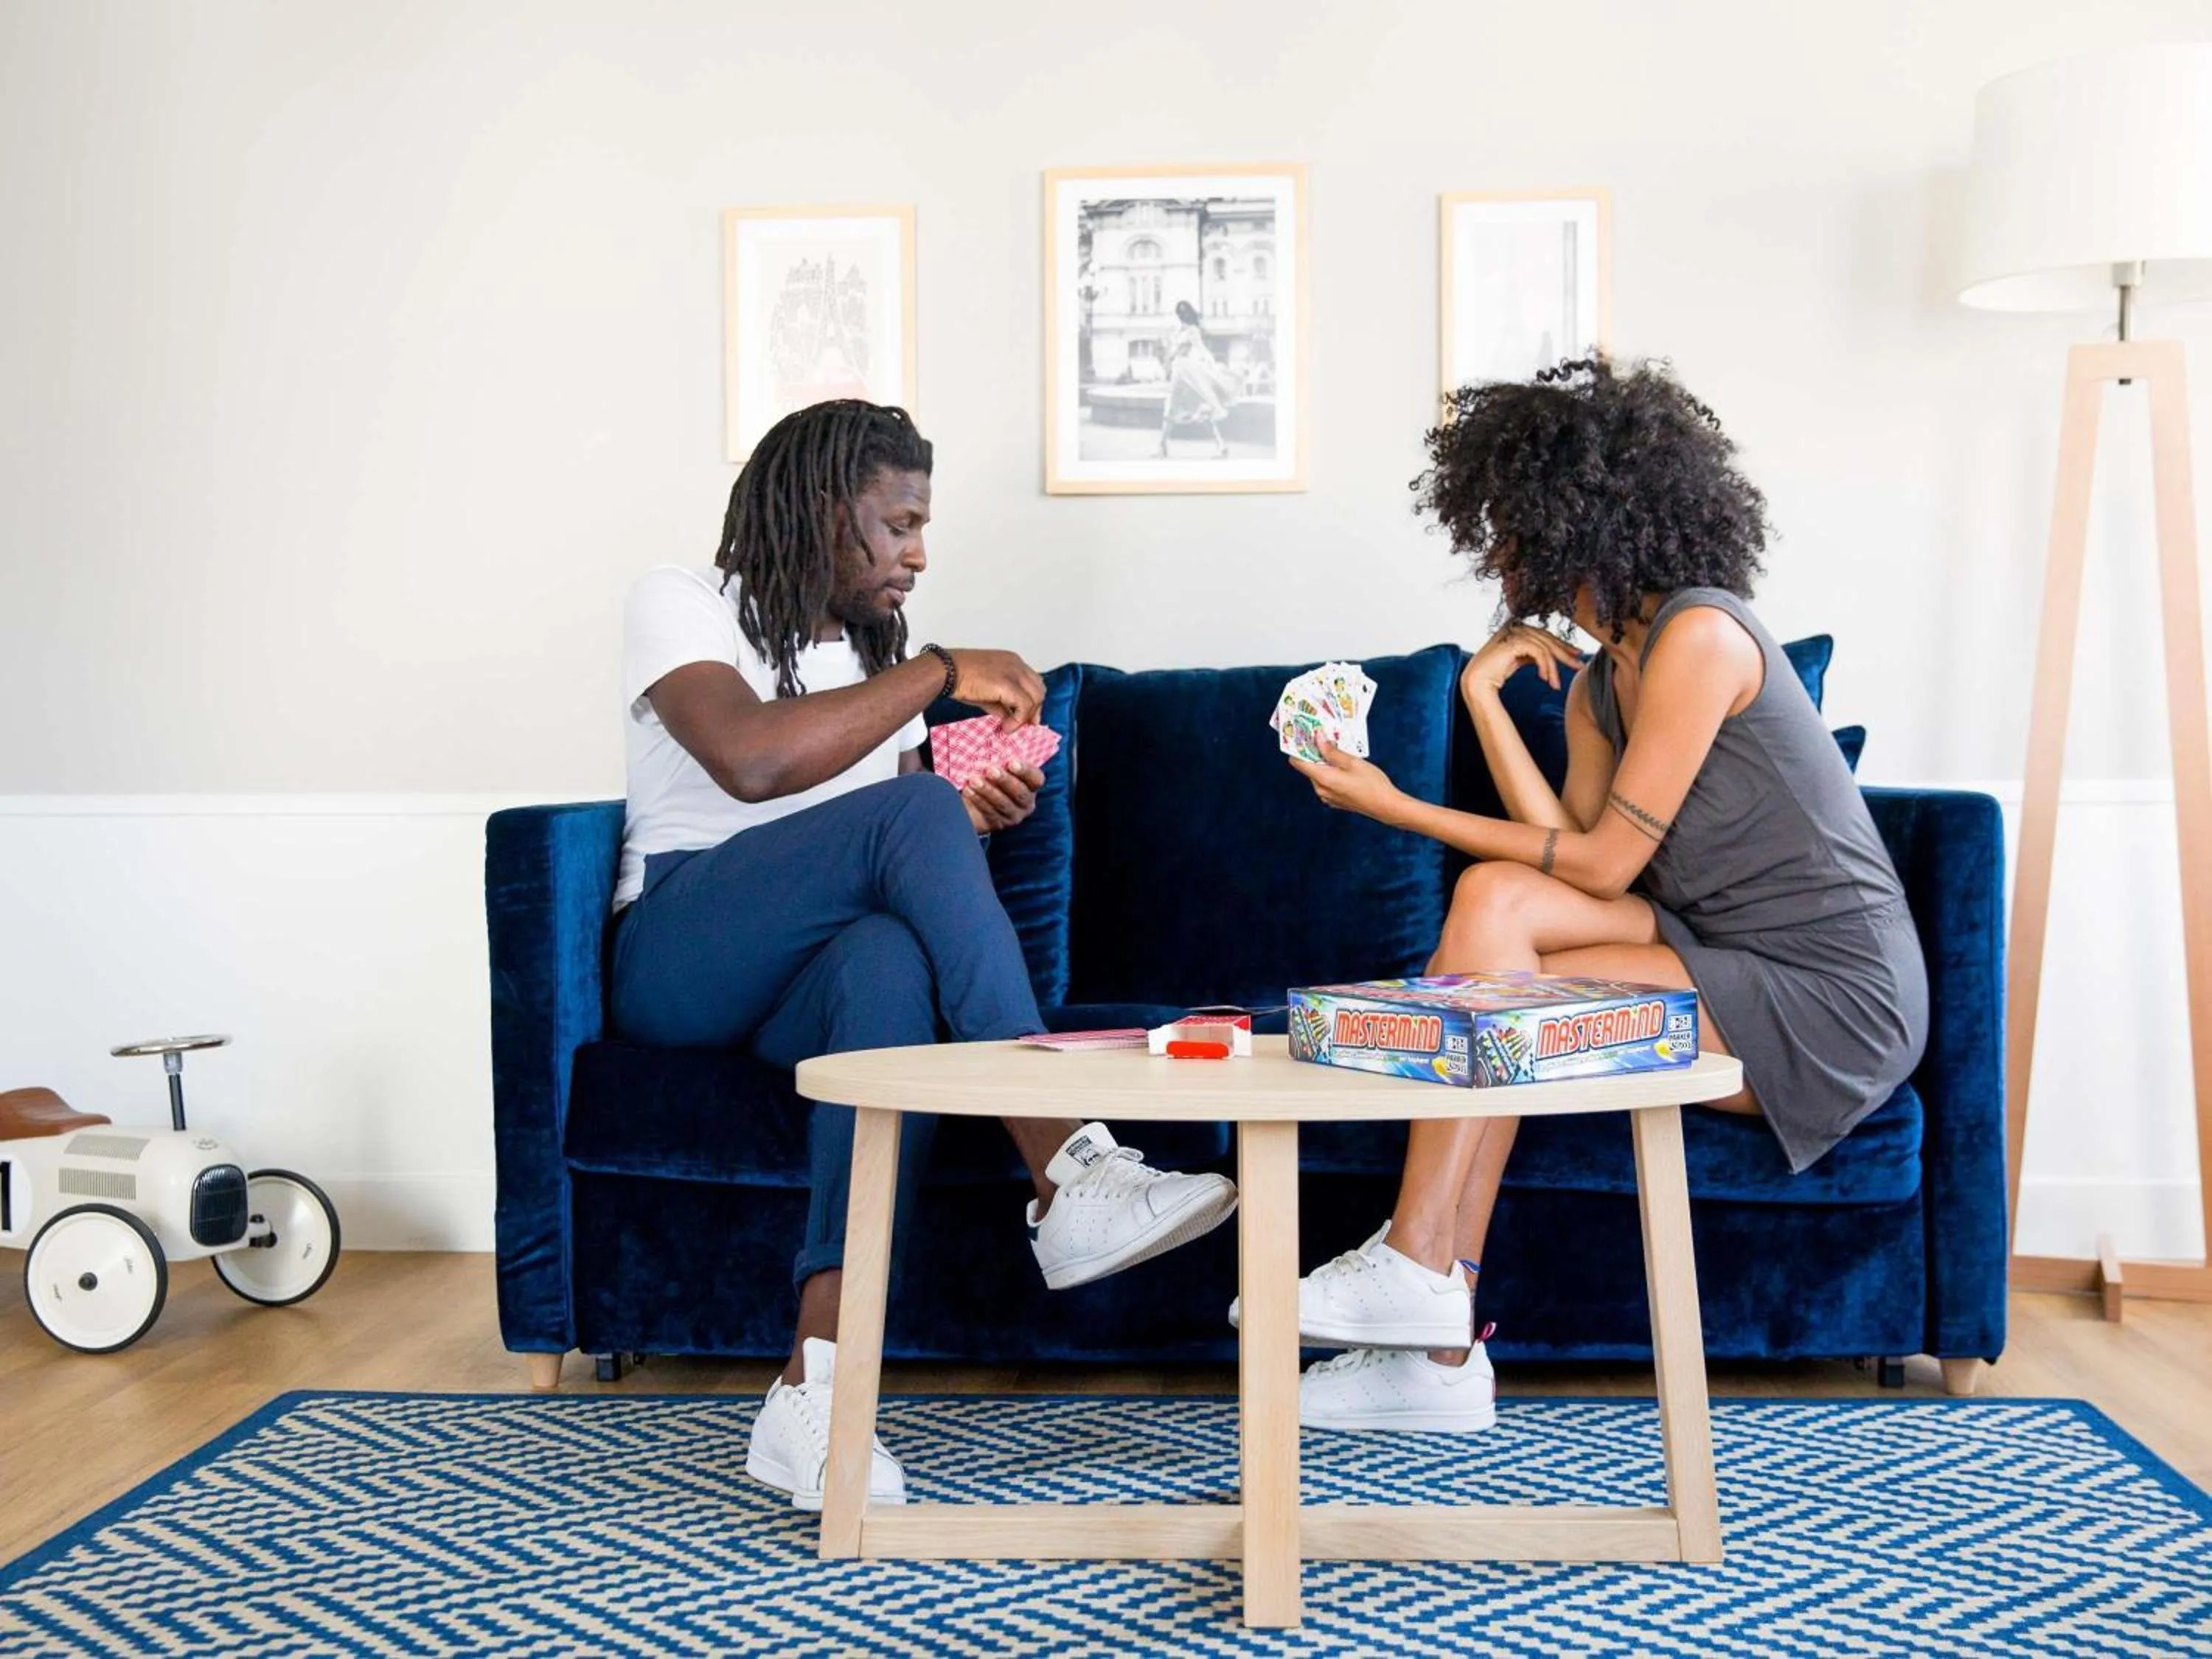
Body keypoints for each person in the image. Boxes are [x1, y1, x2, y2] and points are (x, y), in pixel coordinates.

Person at [1274, 357, 1928, 1433]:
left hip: (1829, 993)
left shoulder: (1702, 637)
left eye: (1509, 523)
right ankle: (1435, 1338)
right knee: (1494, 918)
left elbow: (1602, 872)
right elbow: (1568, 850)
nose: (1495, 550)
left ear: (1580, 518)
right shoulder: (1599, 679)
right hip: (1710, 943)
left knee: (1497, 962)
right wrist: (1484, 695)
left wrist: (1393, 806)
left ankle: (1418, 1277)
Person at [612, 399, 1238, 1508]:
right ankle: (1068, 1166)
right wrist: (942, 672)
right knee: (911, 831)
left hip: (805, 972)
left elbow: (885, 834)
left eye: (921, 526)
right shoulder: (685, 601)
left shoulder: (866, 657)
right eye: (898, 523)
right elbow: (753, 764)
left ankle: (814, 1387)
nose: (918, 551)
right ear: (822, 507)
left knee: (888, 968)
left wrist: (961, 803)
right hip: (681, 946)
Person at [1157, 299, 1238, 458]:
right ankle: (1163, 445)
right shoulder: (1178, 331)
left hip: (1186, 371)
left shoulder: (1192, 330)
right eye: (1179, 312)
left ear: (1188, 314)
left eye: (1184, 312)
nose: (1181, 315)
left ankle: (1221, 446)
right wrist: (1168, 360)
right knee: (1172, 408)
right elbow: (1173, 351)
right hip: (1178, 370)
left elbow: (1200, 347)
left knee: (1195, 409)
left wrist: (1210, 362)